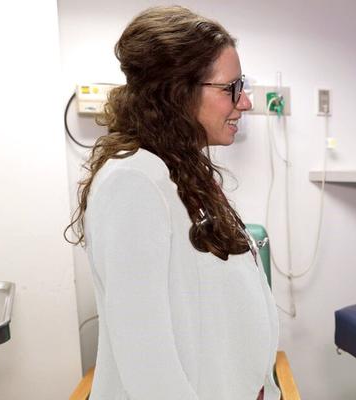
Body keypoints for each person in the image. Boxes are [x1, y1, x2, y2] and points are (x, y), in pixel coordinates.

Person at [65, 6, 280, 400]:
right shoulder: (133, 181)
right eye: (231, 87)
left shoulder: (180, 170)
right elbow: (146, 359)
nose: (246, 102)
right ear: (176, 92)